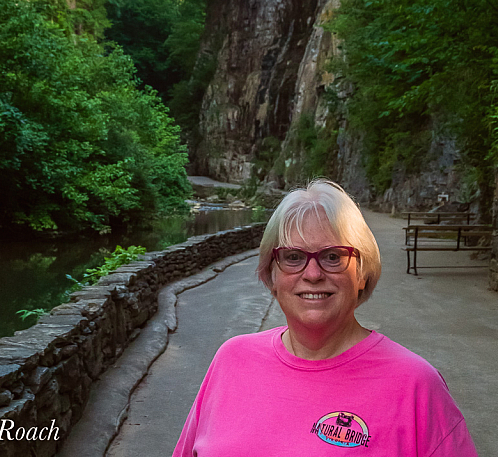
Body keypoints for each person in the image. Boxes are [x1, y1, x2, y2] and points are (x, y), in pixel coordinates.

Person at [172, 178, 479, 456]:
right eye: (293, 257)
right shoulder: (231, 361)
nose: (313, 274)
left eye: (333, 257)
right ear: (271, 275)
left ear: (362, 273)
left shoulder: (417, 387)